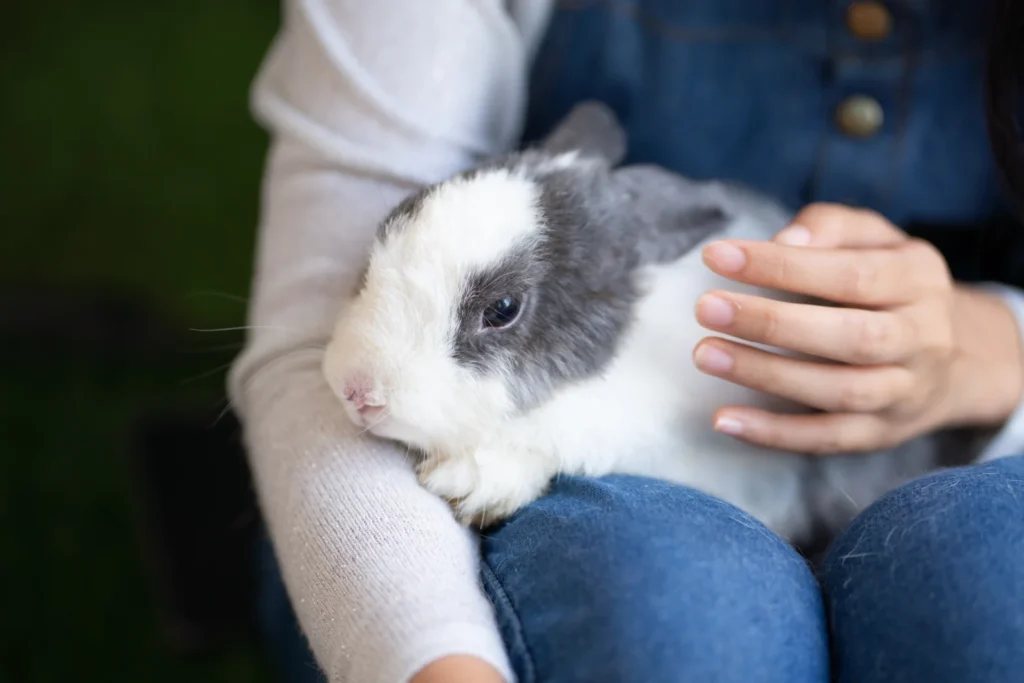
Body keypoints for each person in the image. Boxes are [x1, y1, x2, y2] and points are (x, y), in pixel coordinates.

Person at [229, 1, 1024, 681]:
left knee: (985, 593)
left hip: (979, 439)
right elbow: (309, 324)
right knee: (676, 622)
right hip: (603, 513)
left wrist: (997, 342)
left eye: (499, 311)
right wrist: (432, 653)